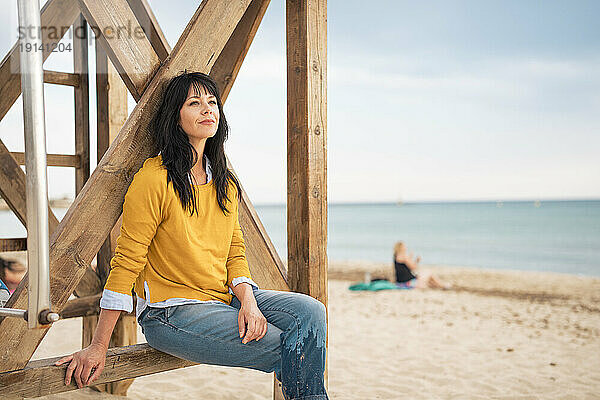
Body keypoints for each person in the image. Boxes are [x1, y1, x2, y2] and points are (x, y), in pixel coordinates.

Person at [55, 72, 329, 400]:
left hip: (220, 298)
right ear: (176, 116)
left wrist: (249, 302)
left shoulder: (225, 182)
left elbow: (234, 250)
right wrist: (99, 346)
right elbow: (126, 263)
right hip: (171, 312)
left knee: (312, 312)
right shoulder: (153, 179)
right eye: (194, 103)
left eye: (212, 102)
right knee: (290, 347)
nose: (207, 110)